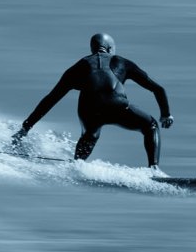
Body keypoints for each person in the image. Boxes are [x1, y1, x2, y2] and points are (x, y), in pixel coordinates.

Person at [11, 33, 173, 170]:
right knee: (150, 125)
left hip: (90, 112)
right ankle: (153, 170)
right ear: (110, 49)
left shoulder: (78, 67)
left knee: (90, 136)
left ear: (92, 49)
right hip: (116, 105)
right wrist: (166, 114)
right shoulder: (121, 62)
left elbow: (51, 99)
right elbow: (158, 89)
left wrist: (25, 128)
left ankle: (77, 167)